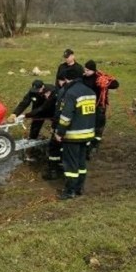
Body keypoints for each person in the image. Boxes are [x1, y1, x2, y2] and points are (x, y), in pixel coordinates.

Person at [54, 65, 96, 200]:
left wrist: (59, 133)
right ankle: (79, 188)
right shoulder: (91, 92)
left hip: (73, 135)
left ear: (67, 78)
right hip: (87, 134)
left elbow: (66, 117)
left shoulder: (71, 93)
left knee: (70, 164)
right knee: (81, 163)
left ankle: (69, 191)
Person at [82, 60, 120, 159]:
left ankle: (95, 145)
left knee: (98, 126)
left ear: (93, 70)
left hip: (99, 106)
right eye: (85, 69)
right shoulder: (83, 78)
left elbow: (115, 84)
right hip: (86, 105)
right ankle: (86, 145)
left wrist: (106, 82)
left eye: (87, 70)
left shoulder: (99, 77)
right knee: (87, 126)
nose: (85, 72)